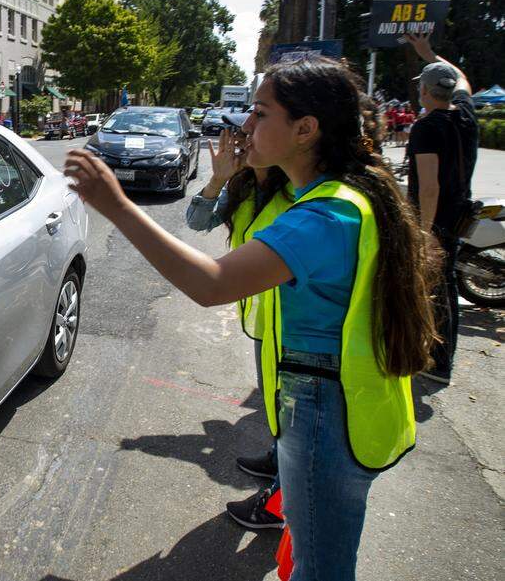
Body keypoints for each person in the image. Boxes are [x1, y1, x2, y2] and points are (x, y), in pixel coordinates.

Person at [66, 56, 439, 581]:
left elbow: (211, 283)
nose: (245, 125)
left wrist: (118, 204)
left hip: (324, 411)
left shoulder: (325, 215)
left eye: (260, 113)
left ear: (306, 129)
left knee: (320, 569)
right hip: (344, 403)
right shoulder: (350, 195)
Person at [185, 129, 293, 530]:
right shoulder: (244, 184)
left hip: (298, 322)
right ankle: (279, 459)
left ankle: (279, 504)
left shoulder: (301, 191)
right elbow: (196, 222)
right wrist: (216, 180)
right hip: (265, 317)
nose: (245, 141)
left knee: (293, 410)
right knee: (276, 402)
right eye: (243, 134)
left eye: (257, 128)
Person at [404, 32, 479, 385]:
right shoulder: (466, 115)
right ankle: (434, 354)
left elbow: (429, 186)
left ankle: (438, 363)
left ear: (425, 92)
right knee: (443, 285)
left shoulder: (426, 127)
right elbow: (461, 78)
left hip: (437, 222)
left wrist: (423, 233)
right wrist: (428, 52)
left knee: (439, 288)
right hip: (460, 213)